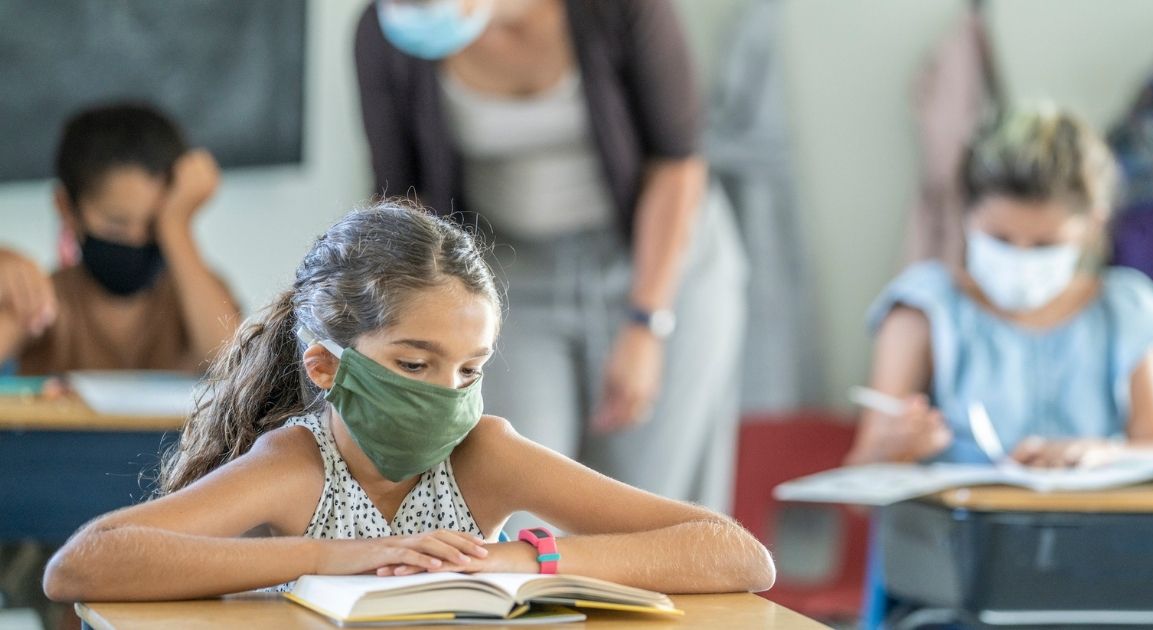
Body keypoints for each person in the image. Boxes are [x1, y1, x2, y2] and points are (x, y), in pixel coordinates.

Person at [41, 202, 774, 601]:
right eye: (415, 363)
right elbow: (83, 565)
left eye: (469, 369)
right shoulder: (298, 465)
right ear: (329, 365)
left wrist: (518, 559)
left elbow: (739, 556)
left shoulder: (484, 453)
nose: (448, 396)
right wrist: (337, 558)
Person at [354, 0, 748, 511]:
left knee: (648, 502)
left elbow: (676, 164)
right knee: (513, 490)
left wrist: (647, 323)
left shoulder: (619, 10)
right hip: (506, 277)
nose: (410, 11)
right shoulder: (386, 34)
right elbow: (399, 194)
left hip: (660, 265)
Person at [847, 103, 1153, 469]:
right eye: (1000, 239)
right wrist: (893, 450)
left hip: (1092, 526)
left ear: (1093, 226)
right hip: (952, 528)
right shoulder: (923, 309)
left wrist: (1104, 454)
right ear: (966, 214)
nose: (1021, 259)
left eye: (1045, 245)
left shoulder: (1125, 310)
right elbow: (860, 483)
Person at [0, 103, 240, 374]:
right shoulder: (49, 300)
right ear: (67, 208)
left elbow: (232, 363)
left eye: (154, 224)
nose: (137, 239)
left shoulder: (195, 292)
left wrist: (176, 226)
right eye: (116, 225)